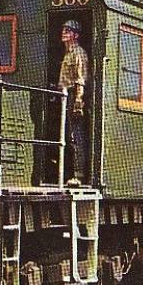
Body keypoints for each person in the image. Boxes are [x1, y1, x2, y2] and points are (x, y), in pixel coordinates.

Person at [57, 20, 89, 186]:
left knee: (75, 136)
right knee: (67, 136)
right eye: (63, 29)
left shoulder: (78, 53)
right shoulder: (67, 53)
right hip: (63, 95)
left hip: (72, 95)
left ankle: (79, 174)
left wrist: (78, 100)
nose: (64, 33)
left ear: (76, 35)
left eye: (68, 30)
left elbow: (80, 79)